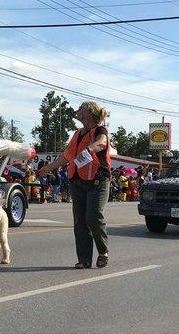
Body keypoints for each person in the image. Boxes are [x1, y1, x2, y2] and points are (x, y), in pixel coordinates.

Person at [39, 101, 110, 269]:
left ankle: (103, 251)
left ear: (90, 113)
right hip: (77, 181)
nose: (77, 111)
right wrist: (47, 168)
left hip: (97, 181)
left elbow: (102, 143)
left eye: (81, 108)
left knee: (93, 216)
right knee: (79, 221)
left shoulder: (100, 130)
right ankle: (84, 260)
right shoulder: (77, 134)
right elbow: (67, 157)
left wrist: (89, 149)